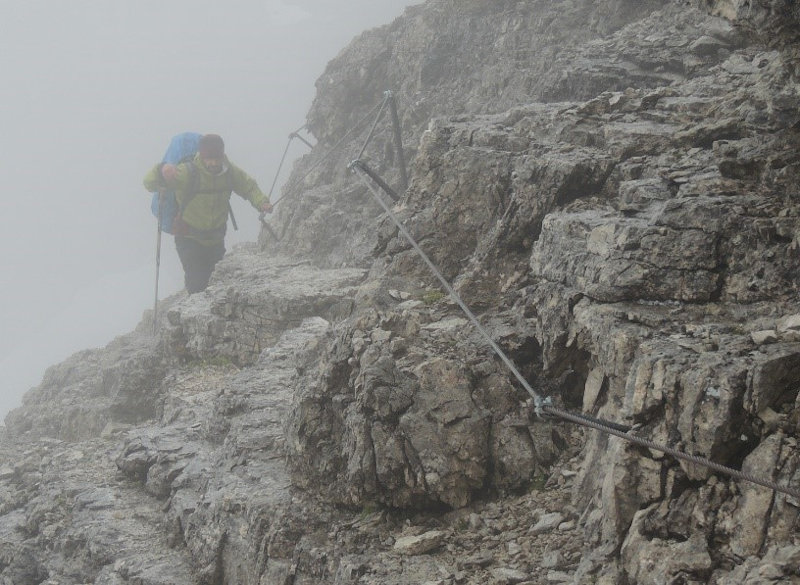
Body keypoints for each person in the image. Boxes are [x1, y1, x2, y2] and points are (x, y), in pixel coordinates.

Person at [143, 134, 273, 294]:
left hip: (216, 239)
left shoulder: (230, 172)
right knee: (197, 283)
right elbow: (149, 183)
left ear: (222, 155)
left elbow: (248, 186)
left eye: (216, 158)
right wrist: (161, 170)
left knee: (216, 283)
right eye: (208, 158)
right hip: (189, 239)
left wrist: (262, 202)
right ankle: (191, 313)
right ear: (202, 156)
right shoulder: (187, 173)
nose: (213, 163)